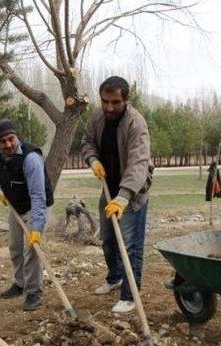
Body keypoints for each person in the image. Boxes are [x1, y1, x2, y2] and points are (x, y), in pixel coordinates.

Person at [81, 76, 154, 314]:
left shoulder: (136, 124)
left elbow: (138, 164)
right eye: (105, 101)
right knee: (108, 239)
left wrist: (123, 198)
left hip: (131, 193)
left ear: (126, 100)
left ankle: (129, 295)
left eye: (115, 102)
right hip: (108, 187)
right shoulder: (97, 116)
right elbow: (88, 141)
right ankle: (115, 278)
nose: (109, 107)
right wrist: (92, 161)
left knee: (130, 245)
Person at [0, 119, 54, 311]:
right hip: (15, 206)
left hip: (36, 206)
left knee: (32, 250)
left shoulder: (31, 159)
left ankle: (33, 292)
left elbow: (38, 196)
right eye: (3, 142)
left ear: (17, 136)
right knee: (15, 247)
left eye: (11, 139)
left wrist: (36, 228)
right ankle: (20, 284)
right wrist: (4, 190)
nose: (8, 145)